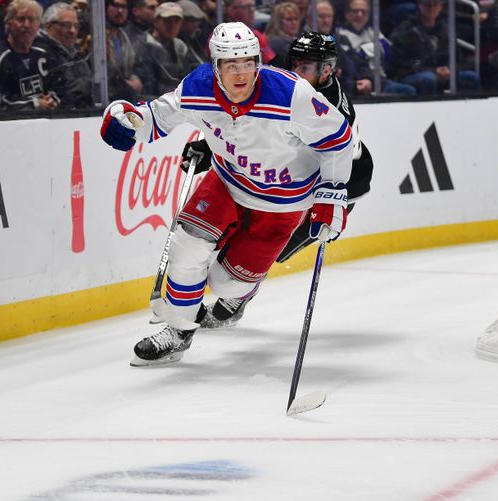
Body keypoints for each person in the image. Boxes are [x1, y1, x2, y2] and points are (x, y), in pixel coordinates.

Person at [100, 22, 353, 365]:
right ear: (216, 66)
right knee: (187, 246)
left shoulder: (292, 95)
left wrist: (332, 195)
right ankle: (178, 331)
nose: (242, 73)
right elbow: (156, 117)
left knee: (226, 285)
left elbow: (339, 141)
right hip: (227, 181)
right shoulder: (198, 87)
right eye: (232, 65)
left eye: (249, 62)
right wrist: (126, 119)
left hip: (283, 202)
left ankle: (240, 294)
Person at [185, 31, 373, 328]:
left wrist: (334, 207)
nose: (296, 72)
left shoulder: (330, 106)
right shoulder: (282, 84)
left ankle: (237, 297)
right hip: (278, 179)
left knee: (273, 248)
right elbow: (249, 125)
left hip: (334, 185)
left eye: (306, 67)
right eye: (294, 63)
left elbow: (337, 163)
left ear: (327, 70)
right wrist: (210, 146)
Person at [388, 0, 480, 94]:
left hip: (443, 73)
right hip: (413, 74)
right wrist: (434, 71)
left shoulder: (446, 30)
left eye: (435, 5)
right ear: (419, 5)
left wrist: (449, 69)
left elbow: (458, 58)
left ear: (441, 7)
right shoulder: (405, 31)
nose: (431, 8)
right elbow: (402, 65)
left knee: (470, 77)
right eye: (427, 5)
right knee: (428, 78)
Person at [337, 0, 416, 95]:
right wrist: (373, 49)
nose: (360, 14)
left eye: (364, 11)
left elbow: (387, 48)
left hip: (381, 80)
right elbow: (353, 60)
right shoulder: (341, 34)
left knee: (408, 91)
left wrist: (364, 50)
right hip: (360, 81)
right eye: (355, 11)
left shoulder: (372, 31)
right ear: (347, 13)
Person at [0, 0, 59, 110]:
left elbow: (58, 86)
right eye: (21, 19)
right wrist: (35, 104)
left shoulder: (44, 54)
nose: (26, 25)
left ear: (39, 25)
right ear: (8, 23)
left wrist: (52, 99)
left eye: (32, 19)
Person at [134, 2, 202, 98]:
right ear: (155, 21)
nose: (172, 26)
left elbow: (193, 75)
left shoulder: (180, 46)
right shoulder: (142, 46)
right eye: (167, 21)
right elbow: (148, 86)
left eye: (176, 21)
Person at [34, 2, 93, 109]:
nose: (72, 31)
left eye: (76, 26)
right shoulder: (38, 54)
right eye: (66, 25)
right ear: (48, 26)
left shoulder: (76, 54)